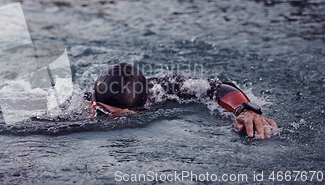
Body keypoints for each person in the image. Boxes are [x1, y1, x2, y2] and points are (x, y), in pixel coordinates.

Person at [86, 63, 279, 139]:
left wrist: (245, 110)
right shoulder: (68, 112)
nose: (110, 119)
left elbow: (218, 88)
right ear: (94, 105)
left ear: (146, 101)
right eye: (103, 114)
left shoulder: (162, 88)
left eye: (112, 115)